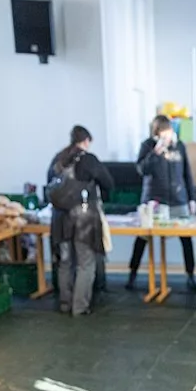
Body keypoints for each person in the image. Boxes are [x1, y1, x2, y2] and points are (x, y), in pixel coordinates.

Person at [49, 125, 113, 315]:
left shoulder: (58, 159)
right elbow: (108, 182)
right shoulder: (88, 160)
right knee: (86, 263)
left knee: (65, 262)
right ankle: (80, 306)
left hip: (60, 220)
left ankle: (65, 303)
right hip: (84, 220)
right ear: (86, 141)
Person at [131, 115, 196, 292]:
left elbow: (187, 174)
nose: (167, 134)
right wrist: (156, 153)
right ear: (156, 132)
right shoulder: (147, 146)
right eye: (163, 131)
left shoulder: (180, 146)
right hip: (155, 200)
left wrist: (192, 198)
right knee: (143, 237)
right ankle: (132, 274)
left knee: (186, 237)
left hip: (179, 199)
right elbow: (142, 170)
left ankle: (190, 275)